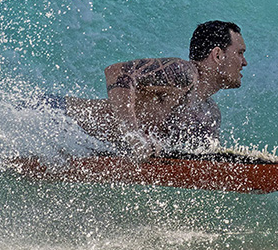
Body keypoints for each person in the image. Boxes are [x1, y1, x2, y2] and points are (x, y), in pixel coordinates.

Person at [48, 21, 247, 157]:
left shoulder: (210, 115)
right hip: (53, 119)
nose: (244, 62)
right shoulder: (184, 74)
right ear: (218, 54)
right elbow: (116, 73)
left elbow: (203, 162)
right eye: (239, 53)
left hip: (83, 148)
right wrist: (133, 136)